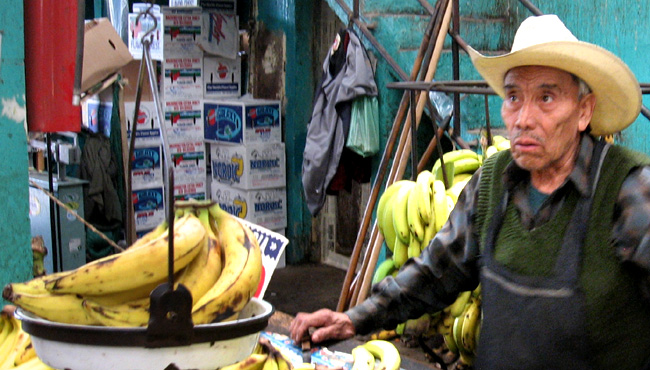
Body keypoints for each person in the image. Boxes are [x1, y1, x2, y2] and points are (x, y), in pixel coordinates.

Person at [290, 14, 650, 369]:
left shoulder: (627, 187)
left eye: (546, 98)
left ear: (584, 111)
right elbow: (437, 269)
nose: (523, 118)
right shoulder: (493, 181)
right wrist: (354, 319)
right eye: (512, 97)